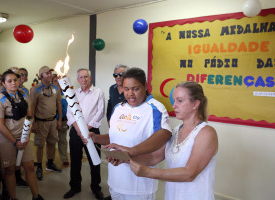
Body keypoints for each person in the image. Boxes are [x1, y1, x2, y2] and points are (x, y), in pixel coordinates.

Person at [89, 67, 171, 200]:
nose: (130, 94)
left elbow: (164, 134)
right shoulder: (119, 108)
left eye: (135, 88)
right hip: (115, 180)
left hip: (139, 187)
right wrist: (96, 137)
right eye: (126, 89)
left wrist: (131, 152)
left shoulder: (155, 108)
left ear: (145, 86)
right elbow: (115, 135)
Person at [129, 81, 218, 200]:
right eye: (174, 100)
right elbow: (154, 157)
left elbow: (189, 173)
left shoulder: (206, 133)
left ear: (195, 104)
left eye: (180, 101)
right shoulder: (176, 130)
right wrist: (124, 158)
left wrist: (149, 172)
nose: (174, 105)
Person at [0, 69, 44, 200]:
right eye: (9, 81)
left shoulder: (24, 96)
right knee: (9, 170)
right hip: (6, 139)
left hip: (23, 138)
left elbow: (29, 115)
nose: (13, 83)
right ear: (3, 83)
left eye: (15, 80)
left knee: (29, 167)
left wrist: (26, 134)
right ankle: (13, 198)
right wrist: (15, 142)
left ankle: (36, 196)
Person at [63, 68, 105, 200]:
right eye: (80, 77)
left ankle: (96, 187)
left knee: (94, 160)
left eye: (86, 77)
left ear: (90, 78)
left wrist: (86, 129)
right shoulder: (73, 93)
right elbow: (69, 113)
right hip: (76, 132)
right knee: (75, 160)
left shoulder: (98, 92)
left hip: (92, 131)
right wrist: (79, 129)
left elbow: (100, 112)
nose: (83, 79)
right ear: (77, 79)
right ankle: (74, 187)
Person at [30, 66, 62, 180]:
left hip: (53, 121)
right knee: (40, 145)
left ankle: (50, 163)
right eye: (47, 73)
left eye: (50, 73)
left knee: (52, 143)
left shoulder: (56, 88)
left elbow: (58, 103)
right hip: (40, 122)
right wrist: (33, 123)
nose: (50, 75)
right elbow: (32, 107)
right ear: (41, 76)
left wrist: (59, 119)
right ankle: (39, 166)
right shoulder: (35, 90)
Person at [52, 74, 69, 166]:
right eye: (55, 81)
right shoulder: (50, 93)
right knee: (52, 140)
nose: (57, 83)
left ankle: (64, 159)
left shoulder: (66, 92)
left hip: (64, 120)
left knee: (62, 140)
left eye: (59, 80)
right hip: (52, 120)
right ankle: (51, 160)